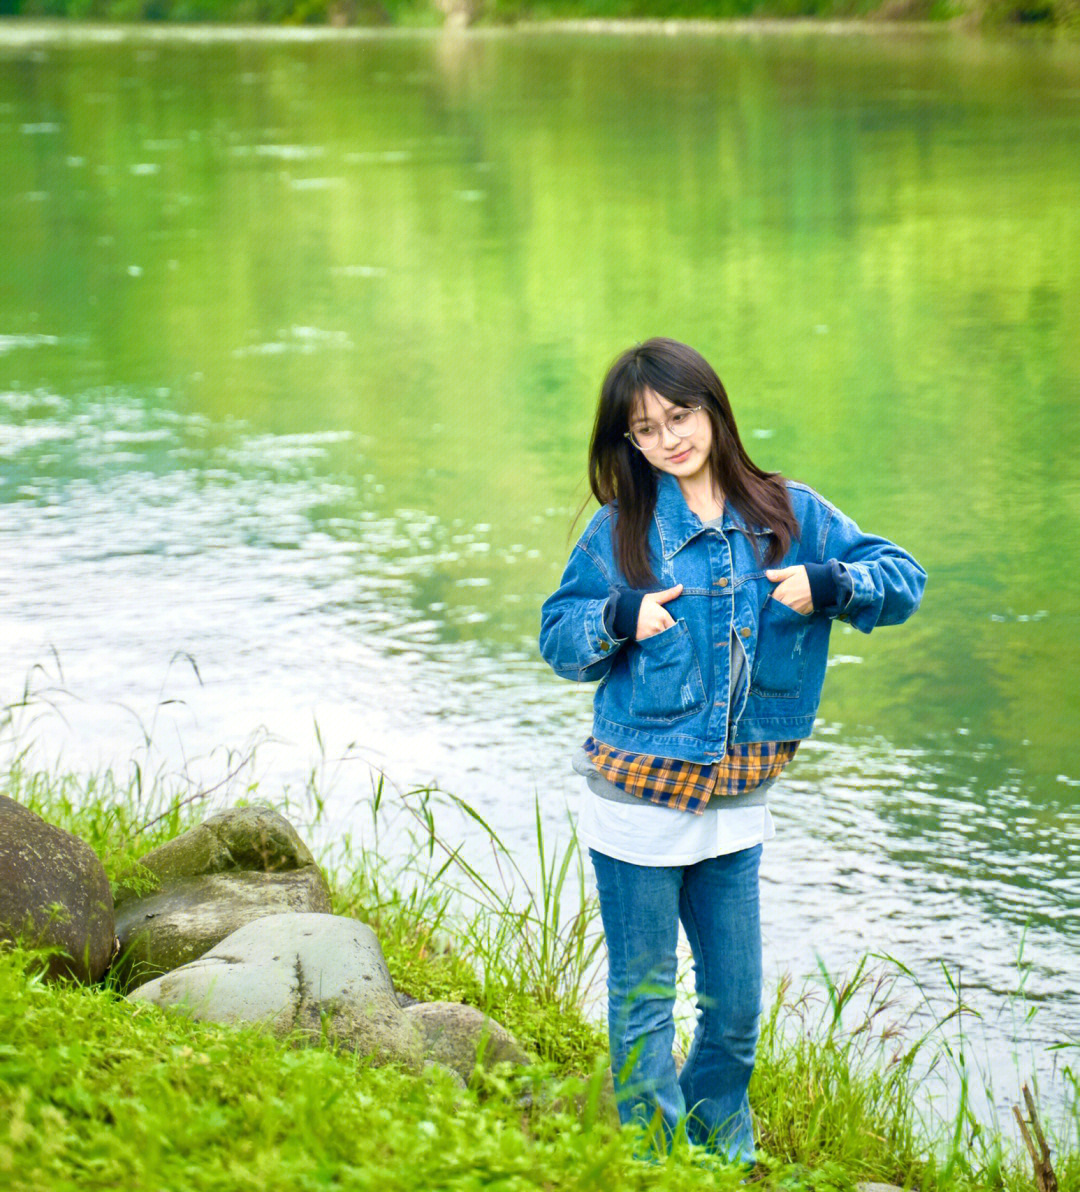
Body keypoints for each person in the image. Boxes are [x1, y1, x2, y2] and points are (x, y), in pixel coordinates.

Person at [538, 338, 926, 1165]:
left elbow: (904, 578)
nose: (670, 438)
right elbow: (559, 638)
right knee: (644, 999)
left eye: (681, 415)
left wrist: (833, 585)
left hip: (738, 807)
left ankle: (719, 1150)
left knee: (734, 1008)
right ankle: (651, 1159)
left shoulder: (792, 515)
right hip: (636, 806)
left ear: (712, 409)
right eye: (647, 429)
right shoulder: (621, 533)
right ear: (630, 445)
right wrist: (618, 618)